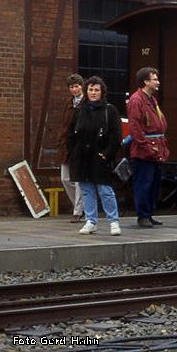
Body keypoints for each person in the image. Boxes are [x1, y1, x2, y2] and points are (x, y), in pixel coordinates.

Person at [67, 76, 122, 236]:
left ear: (102, 92)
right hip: (82, 157)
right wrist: (73, 153)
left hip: (100, 157)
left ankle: (113, 221)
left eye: (96, 90)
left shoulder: (110, 110)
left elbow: (116, 136)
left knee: (105, 190)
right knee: (86, 191)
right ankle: (91, 221)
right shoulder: (79, 111)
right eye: (90, 89)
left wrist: (106, 155)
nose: (93, 93)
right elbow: (70, 133)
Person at [127, 66, 169, 228]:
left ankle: (149, 213)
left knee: (154, 183)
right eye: (154, 79)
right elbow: (135, 128)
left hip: (156, 147)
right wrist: (147, 147)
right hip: (145, 151)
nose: (158, 82)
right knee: (144, 183)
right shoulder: (136, 100)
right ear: (145, 81)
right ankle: (143, 215)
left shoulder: (151, 99)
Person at [56, 74, 86, 222]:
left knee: (79, 179)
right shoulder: (68, 103)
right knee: (65, 179)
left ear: (82, 86)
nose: (74, 89)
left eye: (77, 86)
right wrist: (60, 141)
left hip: (80, 145)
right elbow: (64, 125)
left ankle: (78, 211)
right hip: (67, 145)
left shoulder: (87, 102)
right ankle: (81, 206)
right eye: (71, 87)